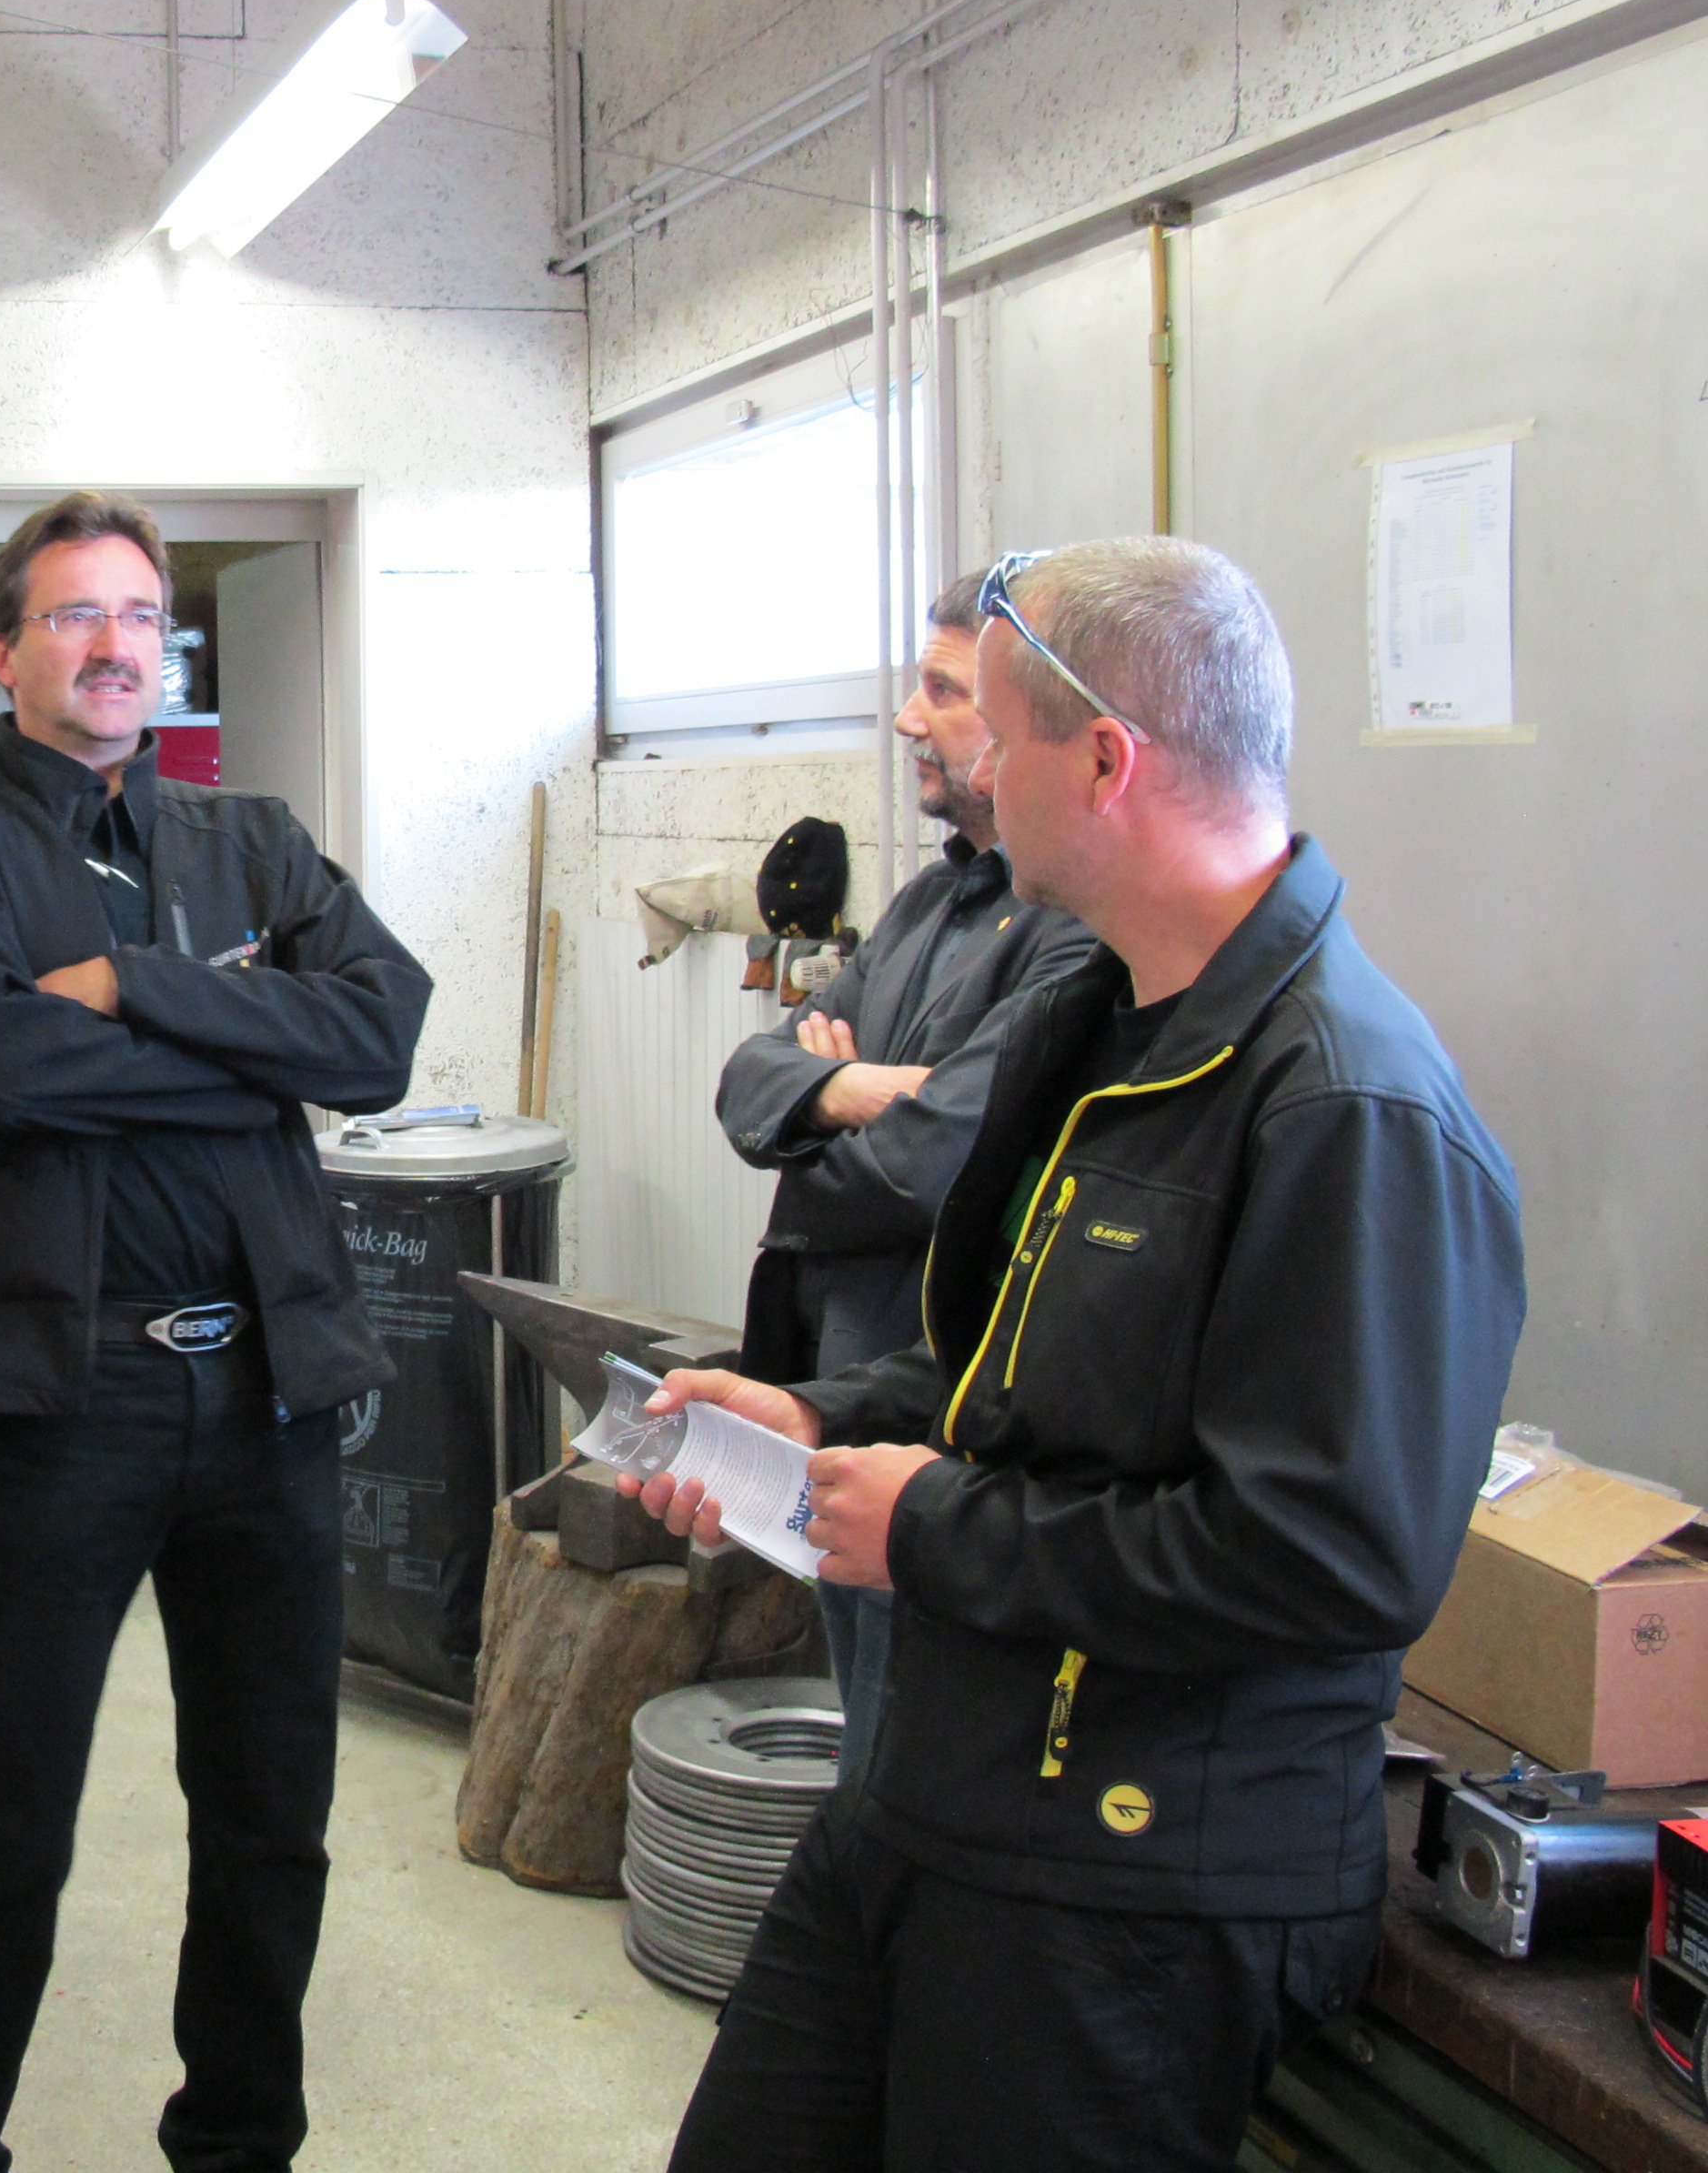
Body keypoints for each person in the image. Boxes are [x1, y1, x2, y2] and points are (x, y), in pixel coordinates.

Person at [638, 537, 1526, 2173]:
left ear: (1104, 761)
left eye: (995, 729)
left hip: (1129, 1880)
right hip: (935, 1789)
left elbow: (1331, 1554)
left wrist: (932, 1529)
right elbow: (1015, 1370)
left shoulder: (1349, 1109)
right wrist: (819, 1416)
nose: (966, 764)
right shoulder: (1095, 1026)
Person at [0, 491, 432, 2173]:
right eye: (72, 616)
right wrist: (255, 1042)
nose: (114, 648)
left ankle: (238, 2143)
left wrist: (132, 987)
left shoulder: (252, 839)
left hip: (267, 1394)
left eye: (138, 617)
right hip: (56, 1405)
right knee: (8, 1825)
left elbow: (379, 1038)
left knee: (271, 1817)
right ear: (1, 653)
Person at [711, 571, 1094, 1781]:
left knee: (917, 1754)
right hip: (841, 1383)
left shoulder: (1076, 932)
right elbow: (749, 1080)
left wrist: (821, 1108)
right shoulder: (932, 899)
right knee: (866, 1735)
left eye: (943, 691)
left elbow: (942, 1167)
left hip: (949, 1421)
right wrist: (856, 1088)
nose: (908, 720)